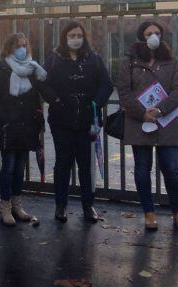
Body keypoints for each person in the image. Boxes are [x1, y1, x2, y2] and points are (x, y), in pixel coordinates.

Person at [117, 21, 178, 231]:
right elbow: (123, 91)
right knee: (142, 169)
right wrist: (142, 113)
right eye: (149, 33)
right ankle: (149, 213)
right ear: (141, 37)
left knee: (171, 169)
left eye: (157, 33)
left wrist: (160, 110)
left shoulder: (171, 61)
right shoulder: (130, 61)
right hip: (138, 123)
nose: (153, 36)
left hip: (166, 122)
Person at [42, 21, 113, 224]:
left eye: (79, 35)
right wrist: (55, 100)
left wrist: (95, 104)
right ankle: (60, 205)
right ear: (65, 37)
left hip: (86, 120)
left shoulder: (94, 58)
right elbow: (43, 83)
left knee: (85, 164)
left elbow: (107, 84)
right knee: (62, 164)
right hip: (61, 120)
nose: (75, 39)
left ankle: (88, 205)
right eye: (71, 35)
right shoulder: (54, 59)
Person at [0, 33, 46, 226]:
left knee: (20, 167)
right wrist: (4, 117)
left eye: (24, 45)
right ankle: (5, 206)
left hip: (27, 123)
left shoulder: (32, 67)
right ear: (9, 47)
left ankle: (16, 205)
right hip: (8, 124)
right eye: (17, 45)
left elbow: (37, 95)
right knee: (9, 166)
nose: (22, 48)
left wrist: (38, 121)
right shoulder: (1, 67)